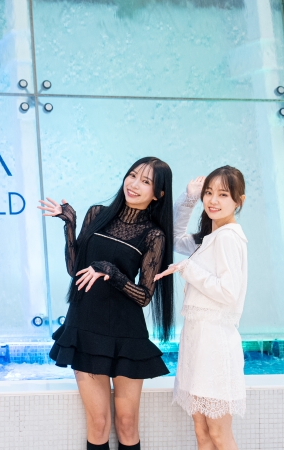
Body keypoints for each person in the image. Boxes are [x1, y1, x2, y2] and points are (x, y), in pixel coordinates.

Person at [38, 157, 174, 450]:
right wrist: (70, 224)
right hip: (85, 327)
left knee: (126, 423)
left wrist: (112, 272)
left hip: (127, 334)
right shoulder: (97, 214)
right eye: (132, 175)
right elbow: (76, 270)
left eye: (146, 181)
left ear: (158, 194)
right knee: (98, 423)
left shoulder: (154, 235)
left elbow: (144, 296)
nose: (134, 184)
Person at [154, 167, 247, 450]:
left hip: (215, 344)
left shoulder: (228, 237)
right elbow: (173, 236)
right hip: (198, 342)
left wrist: (188, 269)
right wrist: (188, 199)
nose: (213, 200)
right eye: (209, 193)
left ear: (239, 201)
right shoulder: (211, 236)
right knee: (201, 431)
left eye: (223, 194)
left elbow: (228, 293)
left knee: (218, 434)